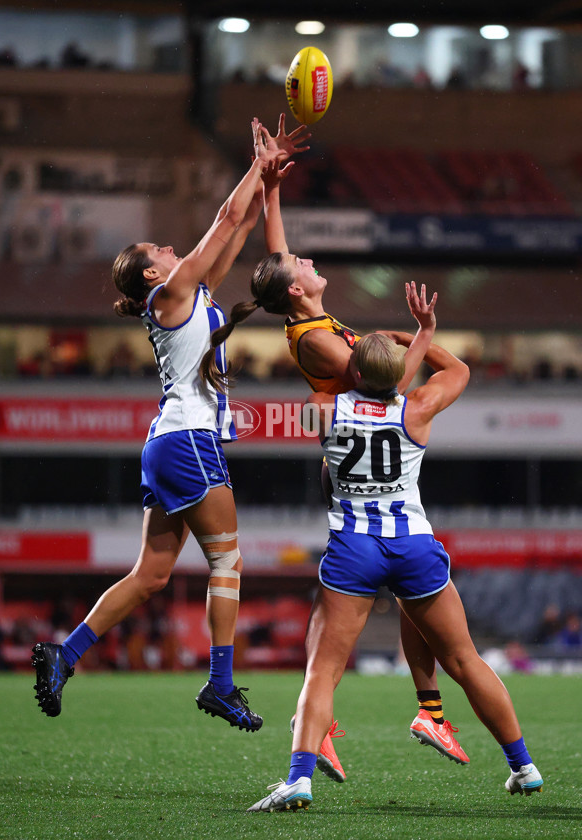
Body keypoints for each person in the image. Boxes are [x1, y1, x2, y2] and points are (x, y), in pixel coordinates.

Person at [201, 120, 467, 774]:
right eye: (304, 266)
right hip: (361, 459)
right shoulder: (315, 340)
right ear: (295, 288)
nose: (311, 260)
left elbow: (277, 249)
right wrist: (418, 343)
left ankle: (404, 713)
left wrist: (272, 186)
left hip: (358, 454)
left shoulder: (307, 314)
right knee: (381, 594)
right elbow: (381, 389)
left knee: (391, 594)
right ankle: (386, 715)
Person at [31, 122, 298, 731]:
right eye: (163, 251)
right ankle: (221, 684)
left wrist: (269, 183)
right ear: (152, 275)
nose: (173, 251)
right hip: (189, 441)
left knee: (151, 574)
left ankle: (63, 655)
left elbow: (237, 231)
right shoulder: (169, 297)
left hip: (169, 442)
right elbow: (224, 221)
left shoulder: (189, 295)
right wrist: (256, 166)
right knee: (227, 562)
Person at [247, 331, 543, 812]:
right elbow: (459, 371)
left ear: (356, 373)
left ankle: (298, 780)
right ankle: (523, 767)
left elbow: (324, 384)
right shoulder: (418, 408)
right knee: (466, 660)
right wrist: (419, 334)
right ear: (401, 374)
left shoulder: (321, 407)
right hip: (413, 547)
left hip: (353, 548)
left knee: (322, 671)